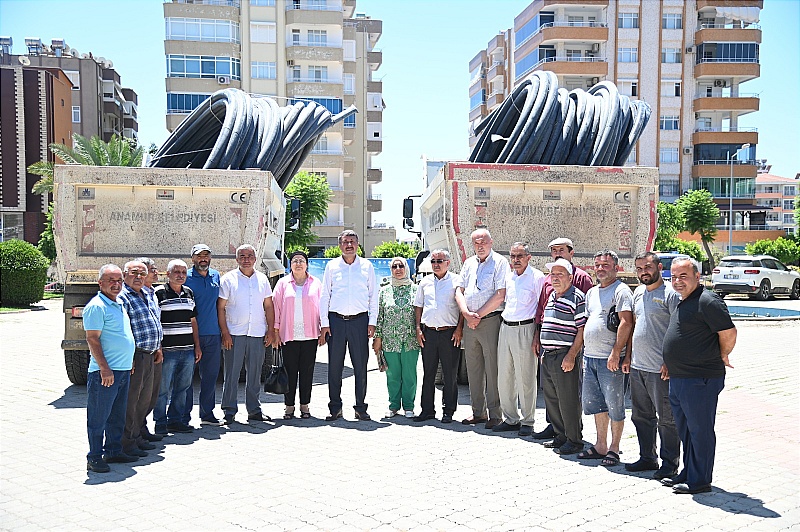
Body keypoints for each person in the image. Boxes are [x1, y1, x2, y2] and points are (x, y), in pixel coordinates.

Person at [662, 257, 736, 495]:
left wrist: (723, 354)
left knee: (700, 431)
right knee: (686, 431)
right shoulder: (686, 300)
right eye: (673, 276)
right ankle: (688, 472)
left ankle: (700, 481)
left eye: (683, 276)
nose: (677, 281)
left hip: (700, 378)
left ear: (697, 276)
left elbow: (729, 331)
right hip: (680, 377)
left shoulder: (708, 300)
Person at [622, 252, 681, 480]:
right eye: (639, 269)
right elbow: (634, 327)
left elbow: (680, 330)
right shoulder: (637, 293)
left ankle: (669, 464)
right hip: (638, 367)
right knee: (641, 416)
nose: (643, 272)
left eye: (647, 267)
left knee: (667, 419)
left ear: (658, 267)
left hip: (660, 370)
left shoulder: (671, 295)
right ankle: (647, 457)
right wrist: (628, 357)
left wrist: (671, 361)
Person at [532, 237, 594, 440]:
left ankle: (573, 436)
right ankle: (558, 432)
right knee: (550, 395)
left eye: (562, 250)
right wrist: (538, 338)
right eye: (554, 250)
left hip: (567, 351)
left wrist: (573, 353)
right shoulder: (549, 288)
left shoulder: (580, 282)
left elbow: (582, 321)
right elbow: (542, 313)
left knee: (568, 397)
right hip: (548, 352)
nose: (558, 253)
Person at [577, 250, 633, 467]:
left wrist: (616, 353)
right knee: (597, 404)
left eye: (605, 265)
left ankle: (614, 448)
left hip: (610, 360)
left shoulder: (621, 291)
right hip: (590, 358)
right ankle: (601, 445)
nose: (600, 269)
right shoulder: (591, 292)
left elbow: (626, 323)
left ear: (616, 268)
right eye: (597, 265)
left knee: (615, 405)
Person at [319, 230, 378, 421]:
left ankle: (360, 407)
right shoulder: (332, 266)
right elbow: (324, 295)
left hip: (360, 322)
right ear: (340, 245)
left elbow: (373, 296)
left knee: (360, 366)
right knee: (334, 367)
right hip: (336, 322)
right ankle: (335, 408)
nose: (349, 245)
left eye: (352, 241)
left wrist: (372, 322)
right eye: (345, 242)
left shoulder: (367, 266)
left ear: (358, 244)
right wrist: (325, 324)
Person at [83, 264, 137, 472]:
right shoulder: (97, 306)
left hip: (122, 369)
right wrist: (105, 368)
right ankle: (94, 456)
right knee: (98, 417)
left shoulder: (119, 303)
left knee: (116, 415)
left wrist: (129, 359)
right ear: (100, 283)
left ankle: (113, 450)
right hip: (105, 373)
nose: (116, 285)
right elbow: (92, 339)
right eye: (111, 281)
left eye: (119, 281)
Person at [455, 228, 508, 429]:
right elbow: (459, 291)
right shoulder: (468, 263)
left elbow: (500, 294)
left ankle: (495, 414)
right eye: (476, 242)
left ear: (491, 242)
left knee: (493, 368)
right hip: (470, 322)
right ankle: (478, 412)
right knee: (473, 369)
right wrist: (467, 314)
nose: (480, 245)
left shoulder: (500, 263)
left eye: (483, 241)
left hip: (490, 321)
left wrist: (478, 315)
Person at [217, 244, 275, 424]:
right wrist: (225, 332)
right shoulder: (228, 279)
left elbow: (268, 306)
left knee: (255, 374)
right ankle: (229, 410)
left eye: (250, 256)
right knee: (232, 374)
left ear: (255, 259)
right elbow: (221, 308)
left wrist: (271, 330)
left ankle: (254, 409)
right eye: (242, 256)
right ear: (237, 259)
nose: (246, 259)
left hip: (257, 333)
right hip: (234, 334)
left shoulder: (262, 279)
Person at [537, 258, 586, 455]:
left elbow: (581, 329)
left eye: (560, 275)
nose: (555, 278)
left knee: (568, 399)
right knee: (552, 399)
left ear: (570, 277)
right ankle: (560, 436)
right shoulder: (552, 296)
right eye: (552, 274)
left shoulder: (577, 297)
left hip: (564, 355)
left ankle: (574, 440)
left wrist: (572, 355)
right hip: (548, 356)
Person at [494, 242, 544, 437]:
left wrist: (537, 335)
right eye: (513, 256)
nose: (516, 260)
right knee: (504, 376)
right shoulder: (509, 277)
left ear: (528, 257)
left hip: (526, 328)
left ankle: (528, 420)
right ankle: (510, 418)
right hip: (506, 327)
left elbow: (541, 307)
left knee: (526, 377)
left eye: (520, 256)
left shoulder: (537, 277)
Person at [118, 261, 163, 457]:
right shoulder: (123, 297)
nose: (138, 277)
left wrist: (158, 346)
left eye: (142, 274)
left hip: (151, 354)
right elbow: (122, 330)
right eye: (134, 273)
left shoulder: (145, 294)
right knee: (131, 403)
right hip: (135, 356)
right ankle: (126, 444)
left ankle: (137, 436)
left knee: (144, 401)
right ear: (124, 274)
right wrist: (129, 358)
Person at [413, 249, 463, 423]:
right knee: (429, 374)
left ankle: (448, 411)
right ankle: (427, 410)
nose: (436, 265)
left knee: (449, 374)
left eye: (439, 261)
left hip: (449, 333)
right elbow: (418, 306)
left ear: (448, 263)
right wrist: (418, 328)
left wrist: (459, 329)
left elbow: (462, 308)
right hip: (429, 333)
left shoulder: (457, 281)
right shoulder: (425, 282)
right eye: (433, 261)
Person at [272, 250, 322, 420]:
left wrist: (324, 329)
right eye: (295, 261)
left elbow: (322, 308)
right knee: (290, 372)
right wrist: (276, 332)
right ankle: (289, 406)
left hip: (310, 335)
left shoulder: (316, 283)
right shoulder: (282, 284)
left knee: (307, 373)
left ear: (307, 264)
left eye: (301, 260)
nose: (298, 263)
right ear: (290, 265)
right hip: (289, 335)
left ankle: (305, 406)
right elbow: (276, 308)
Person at [153, 260, 202, 434]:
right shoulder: (158, 293)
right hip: (167, 351)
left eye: (183, 272)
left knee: (183, 388)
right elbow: (155, 322)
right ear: (168, 274)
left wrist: (197, 346)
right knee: (162, 389)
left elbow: (193, 321)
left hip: (187, 350)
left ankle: (175, 420)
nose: (180, 275)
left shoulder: (189, 293)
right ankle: (160, 422)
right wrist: (158, 348)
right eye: (176, 272)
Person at [373, 257, 420, 419]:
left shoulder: (416, 289)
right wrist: (377, 338)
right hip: (389, 340)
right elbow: (380, 316)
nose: (398, 269)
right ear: (391, 270)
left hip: (410, 339)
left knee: (409, 374)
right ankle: (393, 406)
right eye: (394, 266)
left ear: (406, 268)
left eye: (401, 266)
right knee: (392, 375)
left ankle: (409, 406)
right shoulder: (384, 291)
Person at [184, 244, 223, 426]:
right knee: (186, 378)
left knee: (210, 376)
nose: (203, 259)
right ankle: (183, 416)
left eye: (206, 255)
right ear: (193, 258)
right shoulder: (186, 278)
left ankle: (207, 414)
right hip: (191, 335)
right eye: (199, 256)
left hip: (213, 334)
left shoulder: (216, 275)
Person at [137, 257, 164, 443]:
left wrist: (159, 347)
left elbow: (156, 322)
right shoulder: (133, 295)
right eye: (151, 269)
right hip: (140, 353)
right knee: (137, 397)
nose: (155, 272)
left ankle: (142, 427)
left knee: (150, 395)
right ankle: (133, 436)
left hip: (154, 350)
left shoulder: (152, 293)